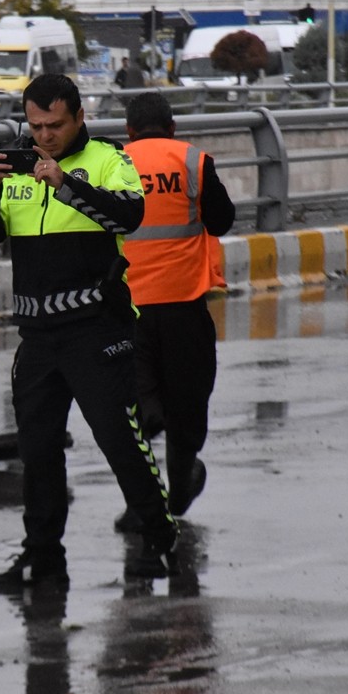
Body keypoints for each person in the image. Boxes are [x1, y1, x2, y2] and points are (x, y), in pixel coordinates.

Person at [0, 74, 178, 593]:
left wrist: (63, 182)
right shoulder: (19, 165)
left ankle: (157, 536)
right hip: (38, 336)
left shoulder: (109, 159)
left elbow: (128, 216)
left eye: (55, 125)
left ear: (79, 117)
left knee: (121, 441)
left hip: (96, 330)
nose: (44, 136)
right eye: (35, 126)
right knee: (36, 453)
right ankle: (43, 558)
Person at [119, 91, 235, 525]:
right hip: (184, 306)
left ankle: (139, 503)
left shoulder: (113, 165)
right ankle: (180, 485)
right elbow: (221, 220)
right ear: (172, 128)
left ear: (129, 131)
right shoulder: (193, 161)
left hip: (128, 311)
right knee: (188, 401)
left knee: (132, 408)